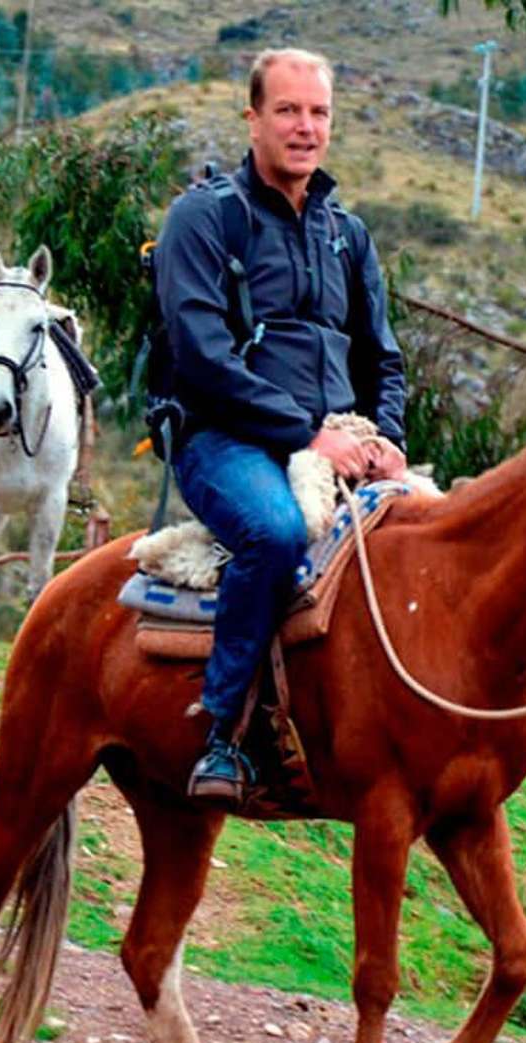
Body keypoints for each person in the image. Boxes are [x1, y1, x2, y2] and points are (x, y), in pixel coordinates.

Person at [152, 47, 407, 802]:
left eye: (318, 113)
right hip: (221, 439)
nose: (305, 128)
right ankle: (222, 737)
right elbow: (202, 357)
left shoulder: (346, 234)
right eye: (288, 111)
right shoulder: (204, 219)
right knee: (274, 532)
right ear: (254, 118)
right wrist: (306, 435)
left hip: (341, 437)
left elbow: (382, 358)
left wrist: (385, 436)